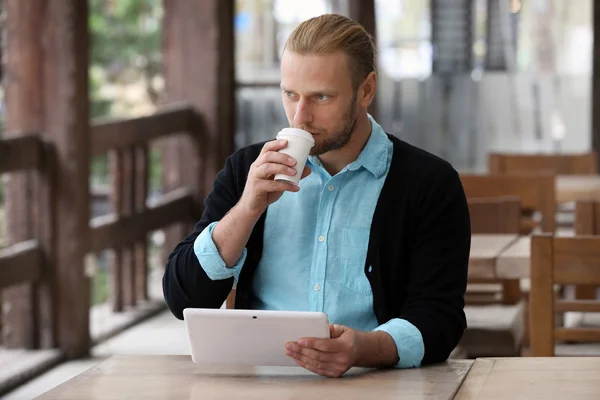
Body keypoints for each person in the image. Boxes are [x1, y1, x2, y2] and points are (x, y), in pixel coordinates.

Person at [163, 13, 470, 378]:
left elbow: (440, 317)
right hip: (263, 383)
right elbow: (183, 300)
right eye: (290, 94)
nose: (299, 117)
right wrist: (247, 208)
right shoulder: (247, 169)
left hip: (375, 382)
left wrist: (363, 348)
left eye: (320, 96)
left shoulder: (429, 183)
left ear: (366, 90)